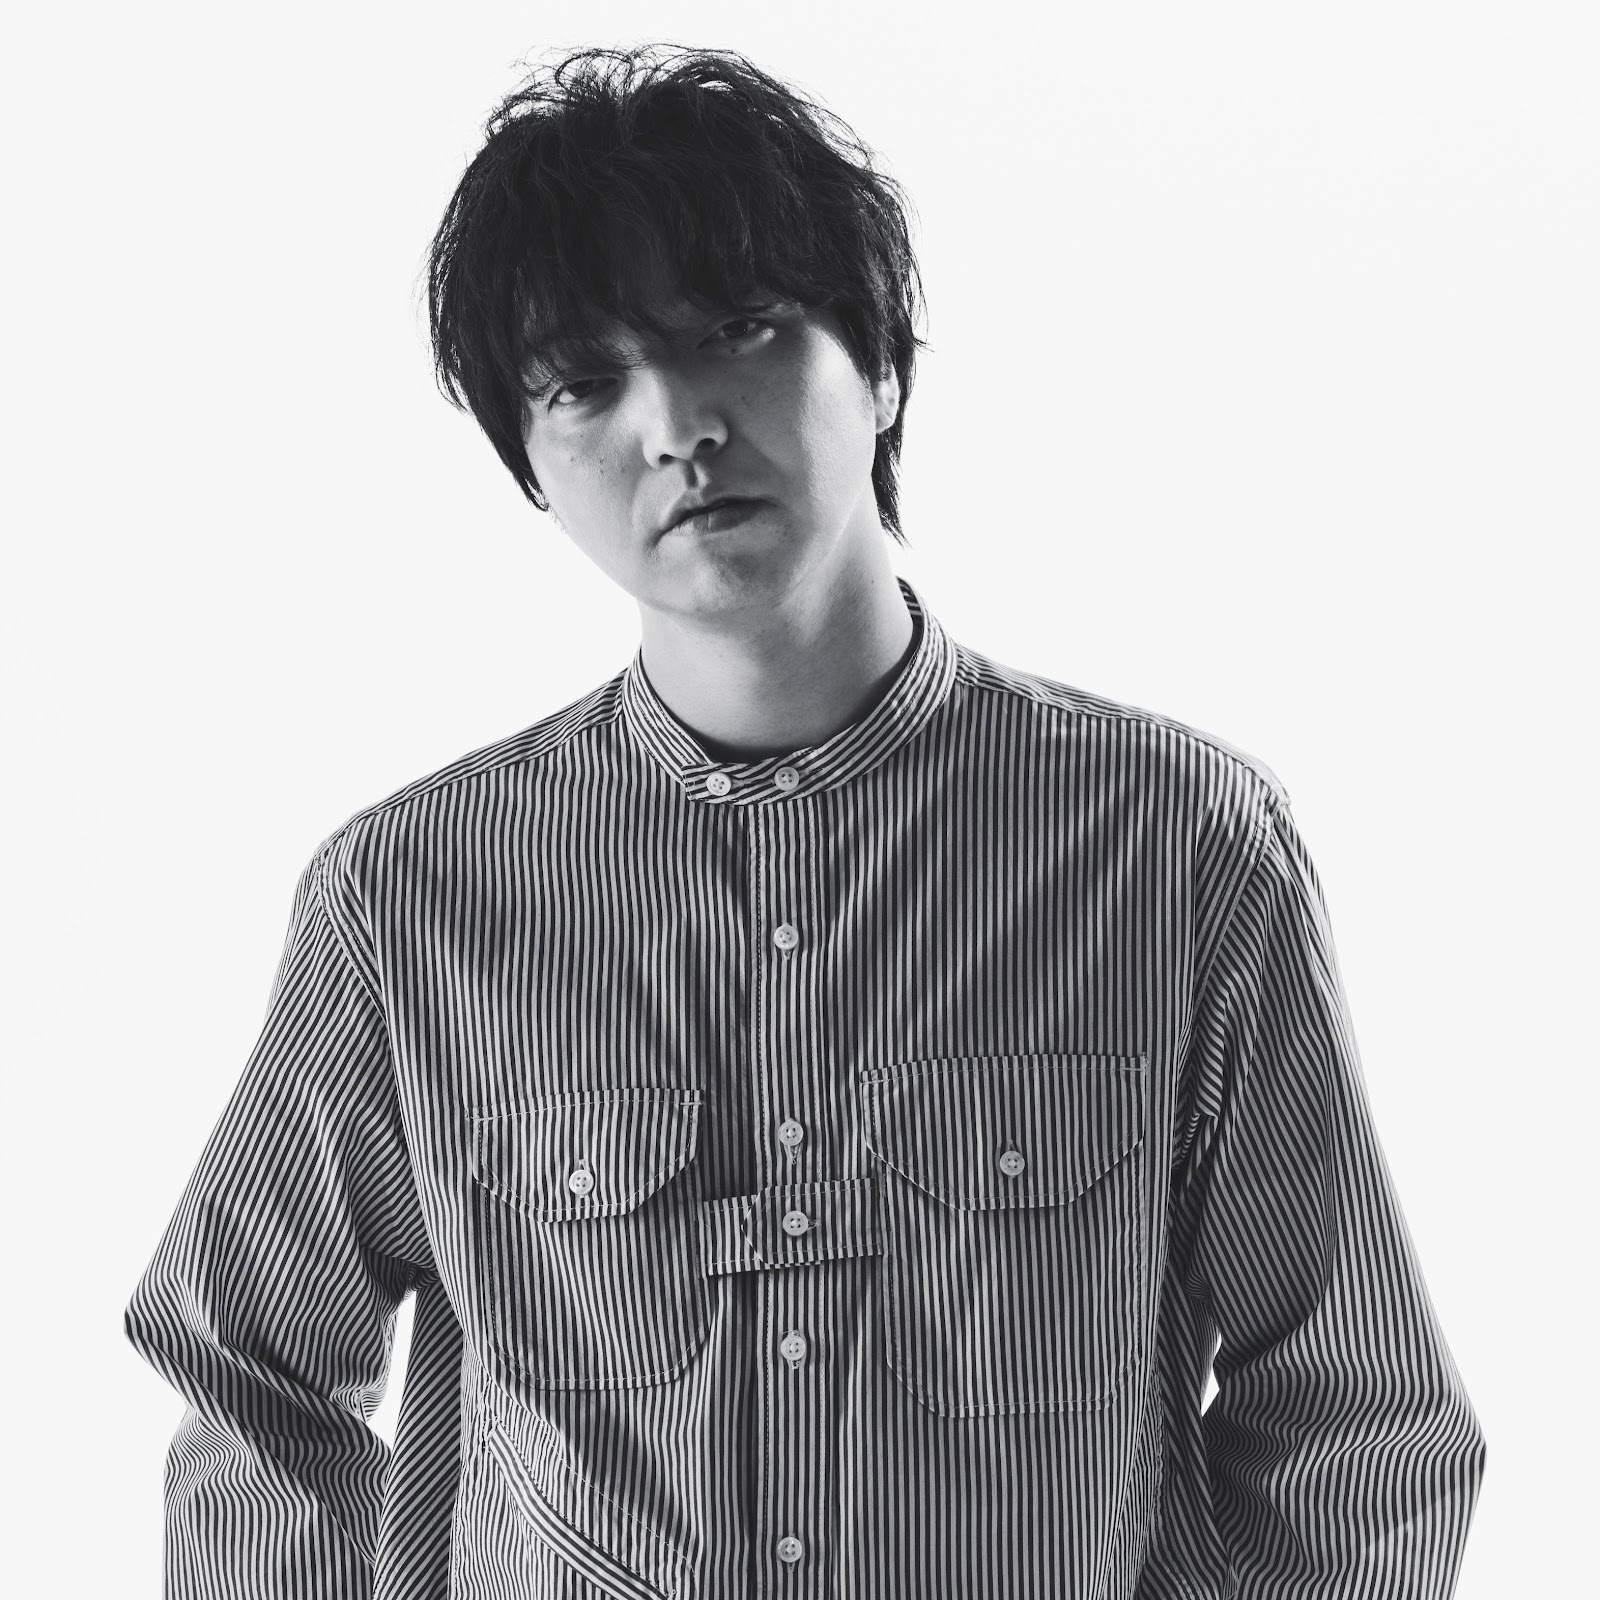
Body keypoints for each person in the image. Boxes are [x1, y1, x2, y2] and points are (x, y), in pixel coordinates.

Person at [124, 42, 1486, 1599]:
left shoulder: (1174, 848)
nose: (676, 426)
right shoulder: (408, 900)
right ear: (531, 469)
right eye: (583, 383)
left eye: (738, 330)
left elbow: (1359, 1423)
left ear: (883, 364)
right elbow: (251, 1374)